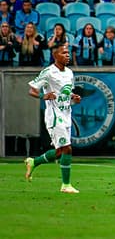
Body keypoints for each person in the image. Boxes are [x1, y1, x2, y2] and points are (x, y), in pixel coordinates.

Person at [24, 44, 82, 193]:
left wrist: (74, 98)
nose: (68, 55)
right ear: (55, 56)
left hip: (66, 114)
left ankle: (34, 162)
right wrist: (44, 95)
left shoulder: (69, 72)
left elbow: (67, 93)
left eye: (68, 53)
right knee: (67, 149)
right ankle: (66, 185)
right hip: (54, 116)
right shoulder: (48, 72)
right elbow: (32, 90)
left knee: (59, 152)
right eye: (64, 53)